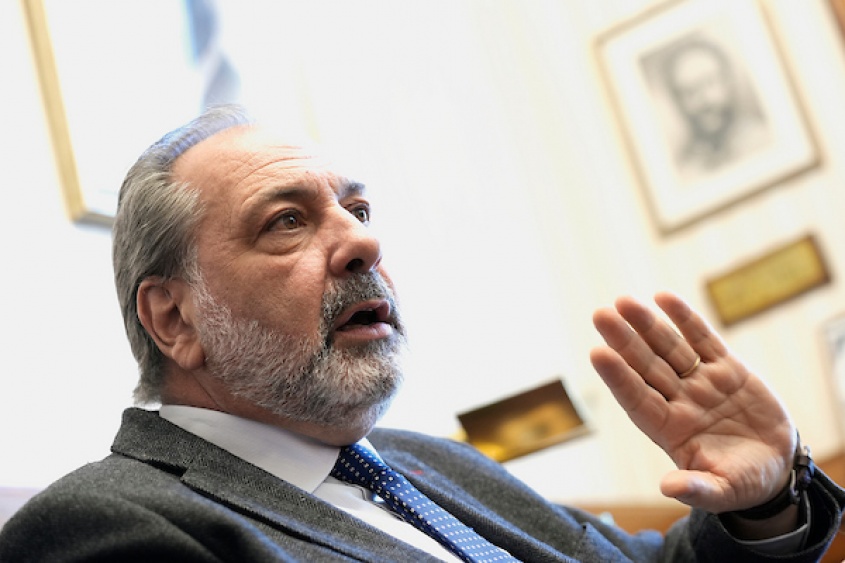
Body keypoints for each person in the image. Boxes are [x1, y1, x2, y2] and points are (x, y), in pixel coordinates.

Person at [0, 104, 841, 562]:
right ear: (173, 319)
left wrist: (760, 504)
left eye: (358, 210)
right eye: (286, 221)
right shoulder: (100, 527)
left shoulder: (430, 462)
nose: (362, 242)